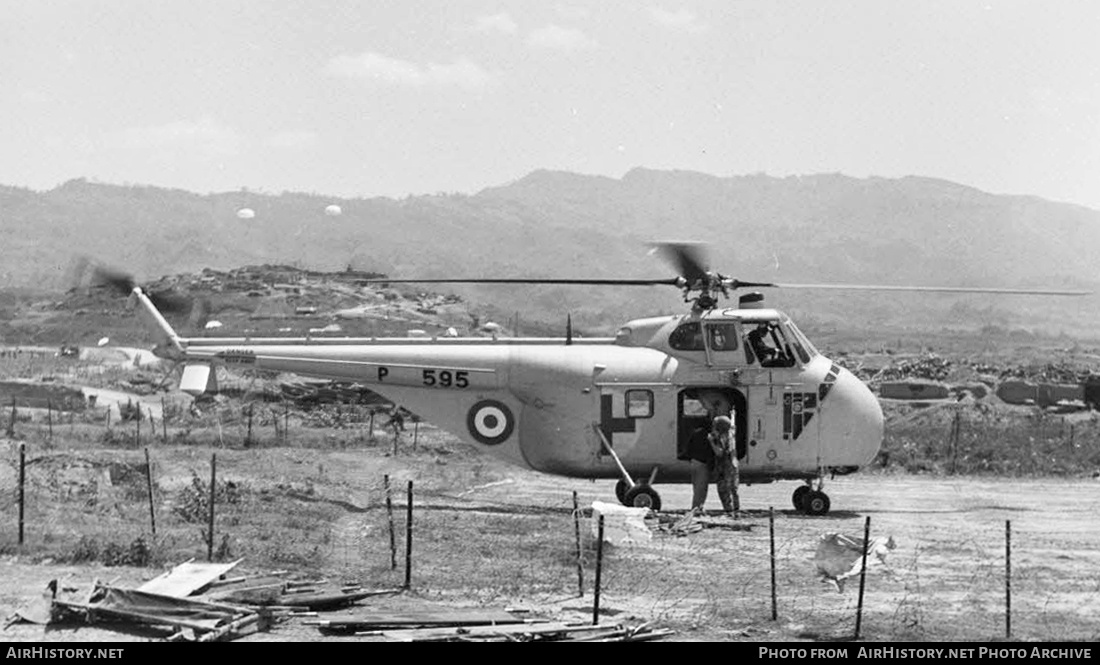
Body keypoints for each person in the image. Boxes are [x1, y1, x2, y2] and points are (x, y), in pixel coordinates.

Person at [708, 415, 740, 517]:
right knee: (733, 490)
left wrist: (711, 442)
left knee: (724, 491)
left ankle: (729, 512)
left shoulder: (722, 437)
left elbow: (719, 452)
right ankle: (736, 511)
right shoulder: (731, 434)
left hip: (725, 468)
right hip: (733, 466)